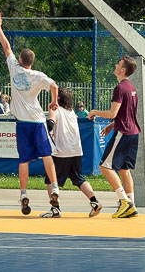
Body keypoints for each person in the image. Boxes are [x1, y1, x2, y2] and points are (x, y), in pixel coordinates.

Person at [0, 11, 61, 217]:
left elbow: (6, 46)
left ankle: (23, 193)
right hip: (38, 120)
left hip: (21, 122)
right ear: (31, 61)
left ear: (20, 59)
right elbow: (54, 85)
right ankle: (55, 188)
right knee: (46, 154)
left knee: (24, 160)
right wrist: (54, 101)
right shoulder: (38, 76)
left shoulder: (14, 68)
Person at [88, 55, 140, 219]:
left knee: (104, 166)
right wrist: (113, 125)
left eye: (118, 64)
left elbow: (112, 113)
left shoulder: (120, 88)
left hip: (123, 132)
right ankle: (132, 205)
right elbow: (127, 113)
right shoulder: (131, 88)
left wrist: (95, 112)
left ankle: (124, 202)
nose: (116, 65)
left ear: (122, 70)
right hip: (133, 132)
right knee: (124, 169)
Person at [47, 87, 102, 217]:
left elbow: (50, 124)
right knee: (78, 178)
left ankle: (55, 209)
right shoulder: (72, 113)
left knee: (50, 180)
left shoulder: (55, 109)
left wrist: (40, 127)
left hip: (62, 151)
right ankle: (94, 201)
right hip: (76, 150)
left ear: (58, 98)